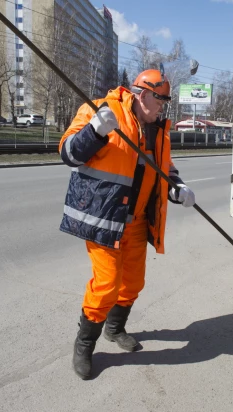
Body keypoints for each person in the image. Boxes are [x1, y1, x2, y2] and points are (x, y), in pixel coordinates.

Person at [58, 69, 196, 380]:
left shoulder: (158, 129)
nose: (163, 108)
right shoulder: (99, 110)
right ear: (143, 94)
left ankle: (115, 328)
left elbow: (165, 167)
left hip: (135, 223)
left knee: (133, 284)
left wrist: (176, 187)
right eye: (161, 101)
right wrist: (94, 131)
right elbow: (67, 153)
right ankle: (84, 345)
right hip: (104, 220)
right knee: (106, 285)